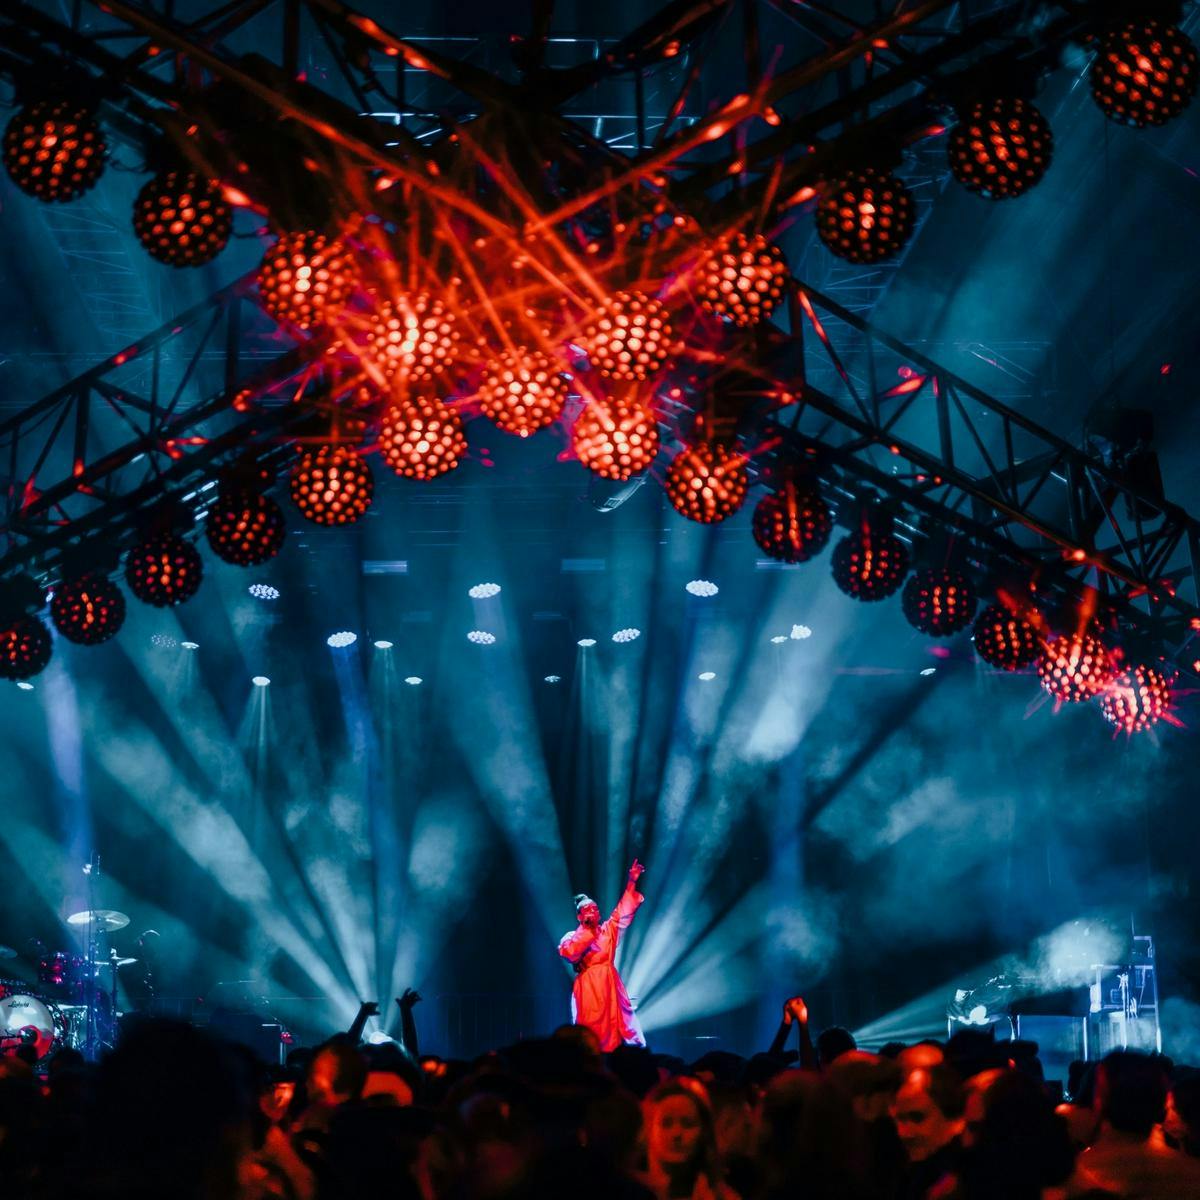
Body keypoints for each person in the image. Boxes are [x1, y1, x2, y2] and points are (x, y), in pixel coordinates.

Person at [558, 858, 646, 1052]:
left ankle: (629, 1058)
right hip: (589, 987)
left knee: (622, 1027)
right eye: (587, 910)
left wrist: (632, 881)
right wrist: (587, 930)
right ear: (579, 916)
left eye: (595, 909)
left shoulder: (608, 930)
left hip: (610, 983)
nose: (592, 912)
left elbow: (623, 911)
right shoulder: (572, 936)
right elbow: (571, 953)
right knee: (592, 1028)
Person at [643, 1075, 739, 1200]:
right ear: (650, 1128)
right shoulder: (627, 1192)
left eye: (688, 1124)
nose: (676, 1133)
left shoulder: (722, 1195)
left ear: (704, 1131)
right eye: (666, 1123)